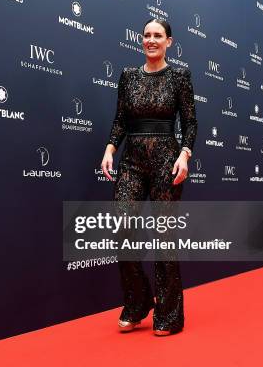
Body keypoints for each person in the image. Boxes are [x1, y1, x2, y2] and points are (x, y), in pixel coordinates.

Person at [100, 18, 197, 336]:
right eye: (146, 35)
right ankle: (138, 301)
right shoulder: (128, 76)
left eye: (158, 35)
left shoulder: (180, 75)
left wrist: (185, 154)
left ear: (169, 41)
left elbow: (191, 123)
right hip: (132, 162)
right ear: (141, 40)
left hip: (166, 162)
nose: (151, 40)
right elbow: (119, 120)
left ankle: (169, 314)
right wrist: (110, 148)